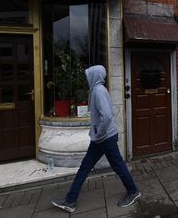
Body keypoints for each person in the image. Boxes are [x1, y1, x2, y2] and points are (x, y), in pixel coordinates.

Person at [52, 65, 140, 213]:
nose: (87, 79)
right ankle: (70, 200)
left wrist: (99, 134)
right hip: (101, 138)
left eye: (88, 76)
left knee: (118, 166)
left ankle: (133, 192)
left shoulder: (98, 91)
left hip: (105, 138)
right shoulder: (96, 90)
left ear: (94, 76)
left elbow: (107, 116)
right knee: (85, 167)